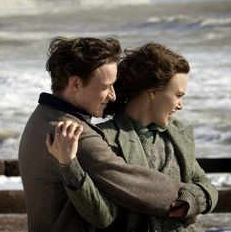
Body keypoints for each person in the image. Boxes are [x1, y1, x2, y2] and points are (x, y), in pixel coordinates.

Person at [19, 37, 186, 232]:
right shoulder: (72, 133)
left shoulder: (41, 116)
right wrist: (193, 195)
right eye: (107, 86)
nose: (113, 95)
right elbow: (133, 184)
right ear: (75, 83)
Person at [49, 41, 218, 232]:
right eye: (178, 95)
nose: (180, 105)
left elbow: (205, 185)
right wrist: (69, 166)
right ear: (153, 92)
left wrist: (193, 200)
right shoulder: (104, 138)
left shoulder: (178, 134)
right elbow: (100, 215)